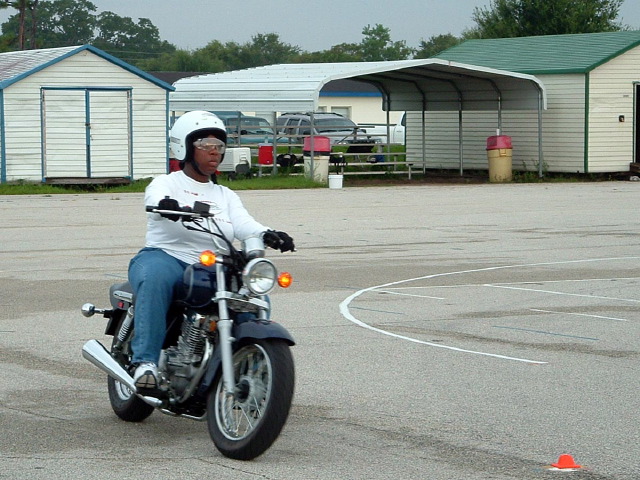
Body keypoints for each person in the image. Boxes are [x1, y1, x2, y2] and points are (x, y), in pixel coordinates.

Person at [128, 110, 295, 393]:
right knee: (155, 279)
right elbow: (155, 200)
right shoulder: (166, 183)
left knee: (253, 295)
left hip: (214, 265)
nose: (214, 151)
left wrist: (268, 233)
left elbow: (244, 224)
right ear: (185, 147)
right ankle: (145, 363)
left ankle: (249, 365)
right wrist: (167, 205)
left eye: (219, 145)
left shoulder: (225, 195)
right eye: (206, 144)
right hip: (168, 256)